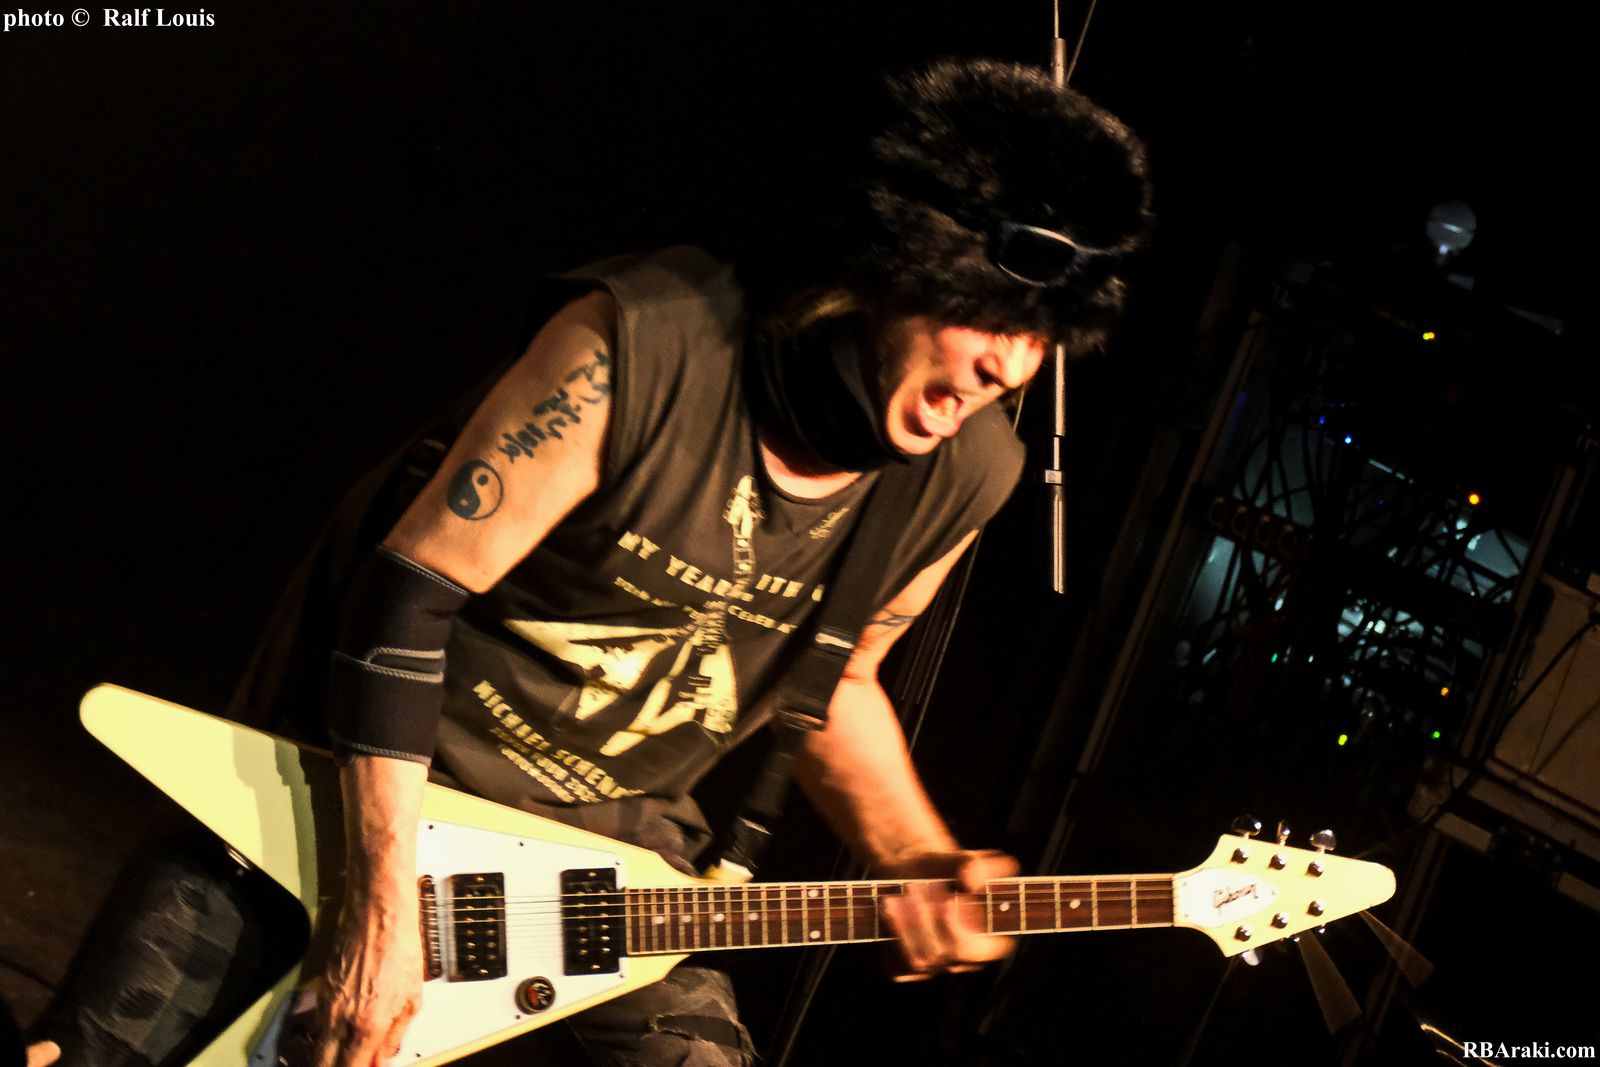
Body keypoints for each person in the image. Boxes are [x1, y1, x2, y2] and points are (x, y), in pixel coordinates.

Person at [33, 57, 1151, 1067]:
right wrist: (379, 911)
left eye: (1041, 338)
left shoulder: (967, 471)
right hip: (357, 807)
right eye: (988, 320)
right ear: (894, 268)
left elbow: (838, 679)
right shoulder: (643, 342)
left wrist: (913, 851)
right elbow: (406, 598)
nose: (1010, 368)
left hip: (609, 864)